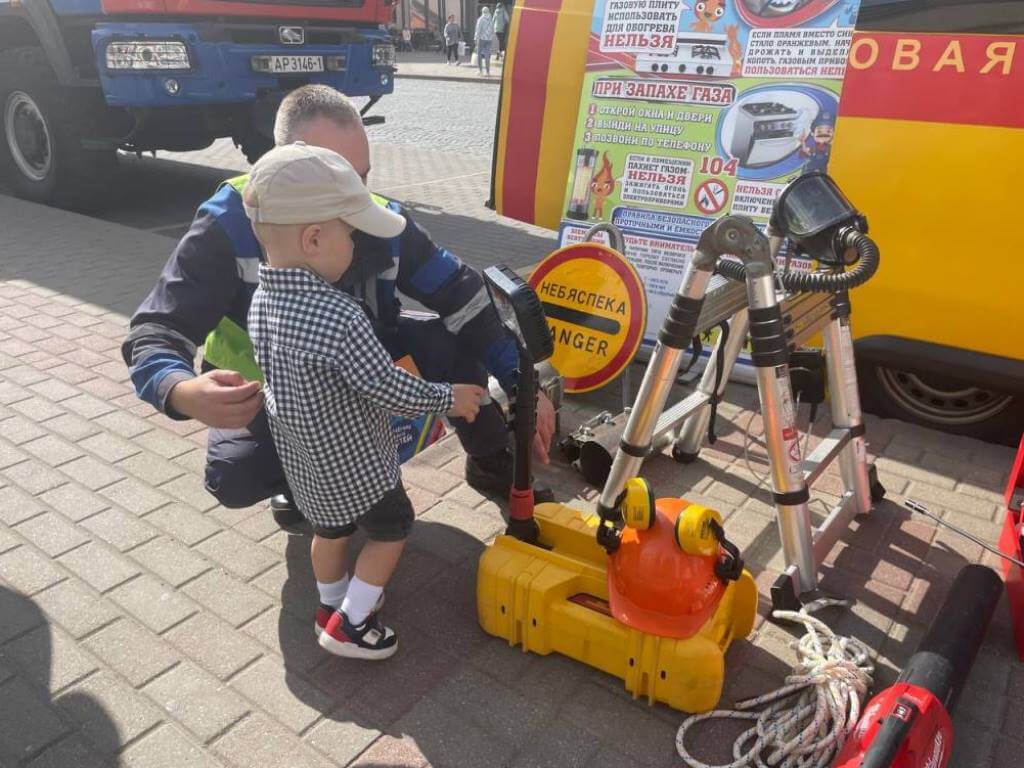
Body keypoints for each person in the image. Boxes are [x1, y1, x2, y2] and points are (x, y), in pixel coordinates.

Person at [122, 85, 556, 534]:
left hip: (361, 368)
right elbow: (156, 329)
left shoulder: (379, 220)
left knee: (449, 340)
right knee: (235, 474)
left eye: (361, 177)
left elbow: (462, 296)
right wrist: (181, 391)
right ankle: (301, 483)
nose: (358, 201)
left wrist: (521, 382)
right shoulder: (227, 223)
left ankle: (488, 461)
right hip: (282, 393)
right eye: (336, 178)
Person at [244, 143, 485, 658]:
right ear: (313, 239)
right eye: (349, 235)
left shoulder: (261, 301)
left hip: (307, 465)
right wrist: (449, 397)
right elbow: (390, 389)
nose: (355, 247)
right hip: (358, 468)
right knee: (393, 529)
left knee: (328, 532)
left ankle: (330, 604)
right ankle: (351, 623)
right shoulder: (340, 316)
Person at [474, 6, 494, 77]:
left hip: (481, 39)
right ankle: (488, 72)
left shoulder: (481, 19)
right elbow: (492, 29)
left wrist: (475, 38)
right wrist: (490, 37)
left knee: (479, 54)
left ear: (482, 11)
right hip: (489, 40)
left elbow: (478, 30)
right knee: (487, 56)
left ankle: (480, 71)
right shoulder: (491, 19)